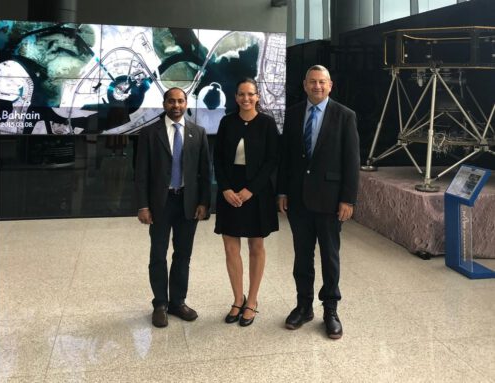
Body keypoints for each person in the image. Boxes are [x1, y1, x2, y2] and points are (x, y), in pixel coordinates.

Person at [277, 65, 360, 339]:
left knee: (330, 257)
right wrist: (282, 192)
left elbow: (352, 161)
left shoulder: (345, 116)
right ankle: (303, 306)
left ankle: (330, 309)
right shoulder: (292, 114)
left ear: (330, 85)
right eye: (312, 82)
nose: (317, 86)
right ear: (304, 84)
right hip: (298, 200)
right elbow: (286, 158)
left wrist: (348, 199)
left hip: (331, 201)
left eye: (322, 82)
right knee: (302, 257)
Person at [135, 87, 211, 328]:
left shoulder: (197, 133)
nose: (176, 105)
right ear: (164, 103)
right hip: (160, 203)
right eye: (171, 101)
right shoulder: (149, 133)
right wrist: (143, 206)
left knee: (183, 254)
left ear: (186, 103)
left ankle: (178, 302)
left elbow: (204, 172)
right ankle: (160, 303)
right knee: (158, 254)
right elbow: (141, 173)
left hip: (188, 204)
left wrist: (204, 203)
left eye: (180, 101)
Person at [213, 78, 279, 327]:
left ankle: (252, 300)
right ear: (236, 97)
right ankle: (237, 299)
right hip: (229, 191)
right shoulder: (226, 122)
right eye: (241, 94)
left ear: (258, 96)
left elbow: (272, 160)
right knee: (231, 247)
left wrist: (251, 189)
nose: (246, 98)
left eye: (250, 94)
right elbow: (217, 159)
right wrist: (226, 189)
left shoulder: (267, 123)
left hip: (257, 191)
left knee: (256, 246)